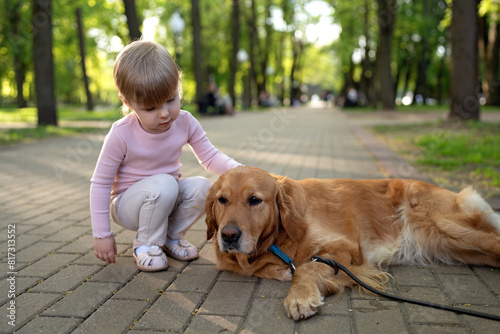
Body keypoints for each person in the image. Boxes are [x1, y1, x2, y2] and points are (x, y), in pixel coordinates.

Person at [90, 40, 242, 272]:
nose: (164, 114)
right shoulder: (121, 134)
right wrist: (102, 234)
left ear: (178, 86)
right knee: (165, 183)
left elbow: (210, 157)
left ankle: (171, 237)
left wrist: (241, 171)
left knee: (204, 188)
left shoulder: (185, 122)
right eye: (150, 108)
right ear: (128, 102)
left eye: (171, 100)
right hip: (127, 206)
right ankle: (146, 244)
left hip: (165, 197)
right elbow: (100, 184)